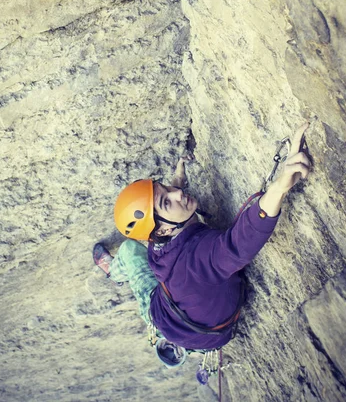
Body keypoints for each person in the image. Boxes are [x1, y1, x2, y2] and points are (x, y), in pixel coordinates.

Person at [93, 123, 311, 363]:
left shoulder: (161, 237)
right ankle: (114, 273)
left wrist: (178, 180)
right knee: (128, 250)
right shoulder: (199, 258)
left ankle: (178, 339)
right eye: (166, 201)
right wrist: (280, 186)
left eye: (166, 189)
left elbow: (169, 215)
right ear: (164, 230)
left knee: (137, 254)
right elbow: (240, 242)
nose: (176, 194)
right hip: (172, 316)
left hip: (205, 331)